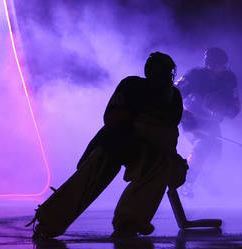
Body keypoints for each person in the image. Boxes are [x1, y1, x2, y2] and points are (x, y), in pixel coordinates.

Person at [30, 52, 188, 239]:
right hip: (115, 142)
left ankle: (129, 222)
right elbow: (111, 119)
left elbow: (168, 134)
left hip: (149, 150)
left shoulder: (173, 97)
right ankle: (50, 221)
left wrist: (170, 156)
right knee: (88, 179)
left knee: (162, 167)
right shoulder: (132, 85)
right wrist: (138, 124)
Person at [176, 47, 240, 188]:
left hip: (211, 123)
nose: (220, 69)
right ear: (209, 63)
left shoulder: (229, 79)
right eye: (217, 65)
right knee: (203, 144)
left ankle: (202, 181)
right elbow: (174, 93)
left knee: (215, 154)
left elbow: (235, 105)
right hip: (190, 120)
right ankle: (186, 181)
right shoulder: (194, 76)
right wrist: (181, 112)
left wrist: (226, 111)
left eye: (223, 65)